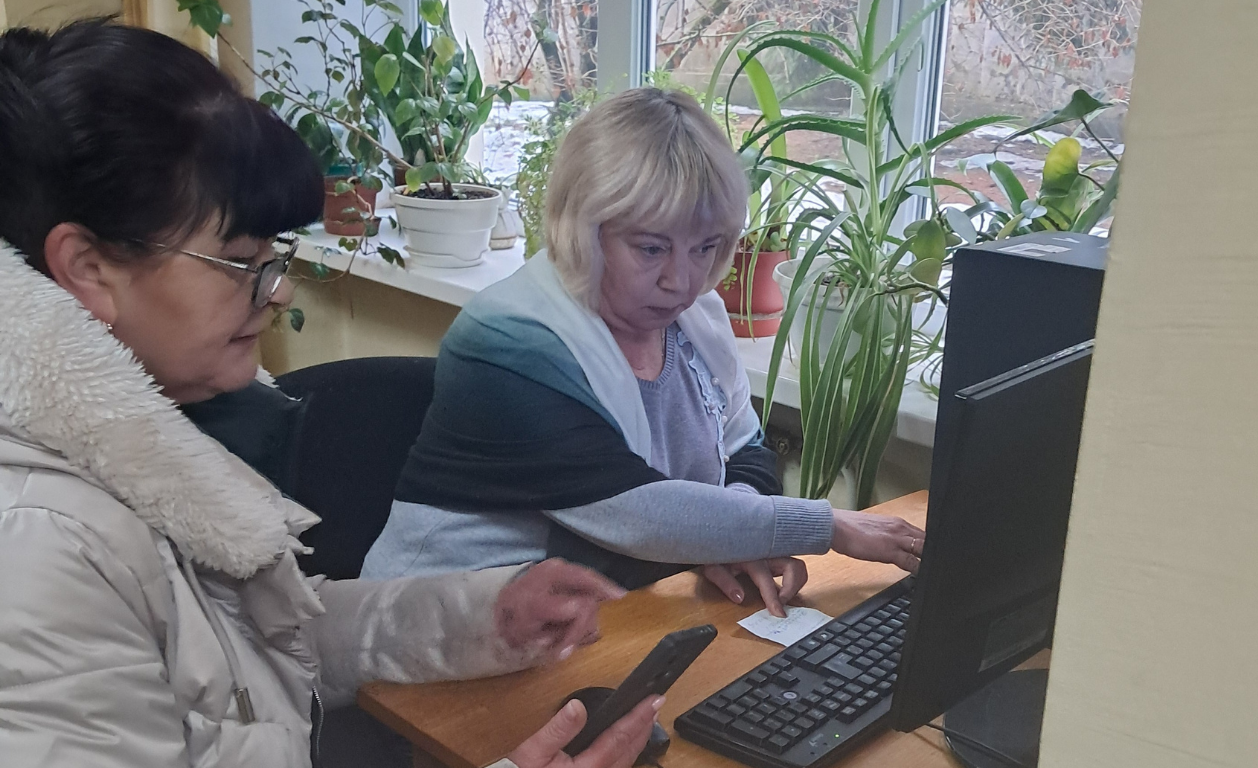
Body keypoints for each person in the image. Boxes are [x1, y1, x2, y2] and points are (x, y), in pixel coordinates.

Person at [0, 21, 661, 768]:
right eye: (240, 260)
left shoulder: (138, 438)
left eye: (275, 255)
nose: (278, 292)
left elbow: (251, 651)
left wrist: (484, 617)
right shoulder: (37, 547)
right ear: (88, 268)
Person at [362, 88, 926, 614]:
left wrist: (730, 540)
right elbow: (634, 513)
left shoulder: (698, 318)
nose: (682, 281)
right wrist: (829, 525)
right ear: (583, 229)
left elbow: (746, 449)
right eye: (652, 248)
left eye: (705, 247)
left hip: (592, 616)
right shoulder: (507, 341)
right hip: (442, 630)